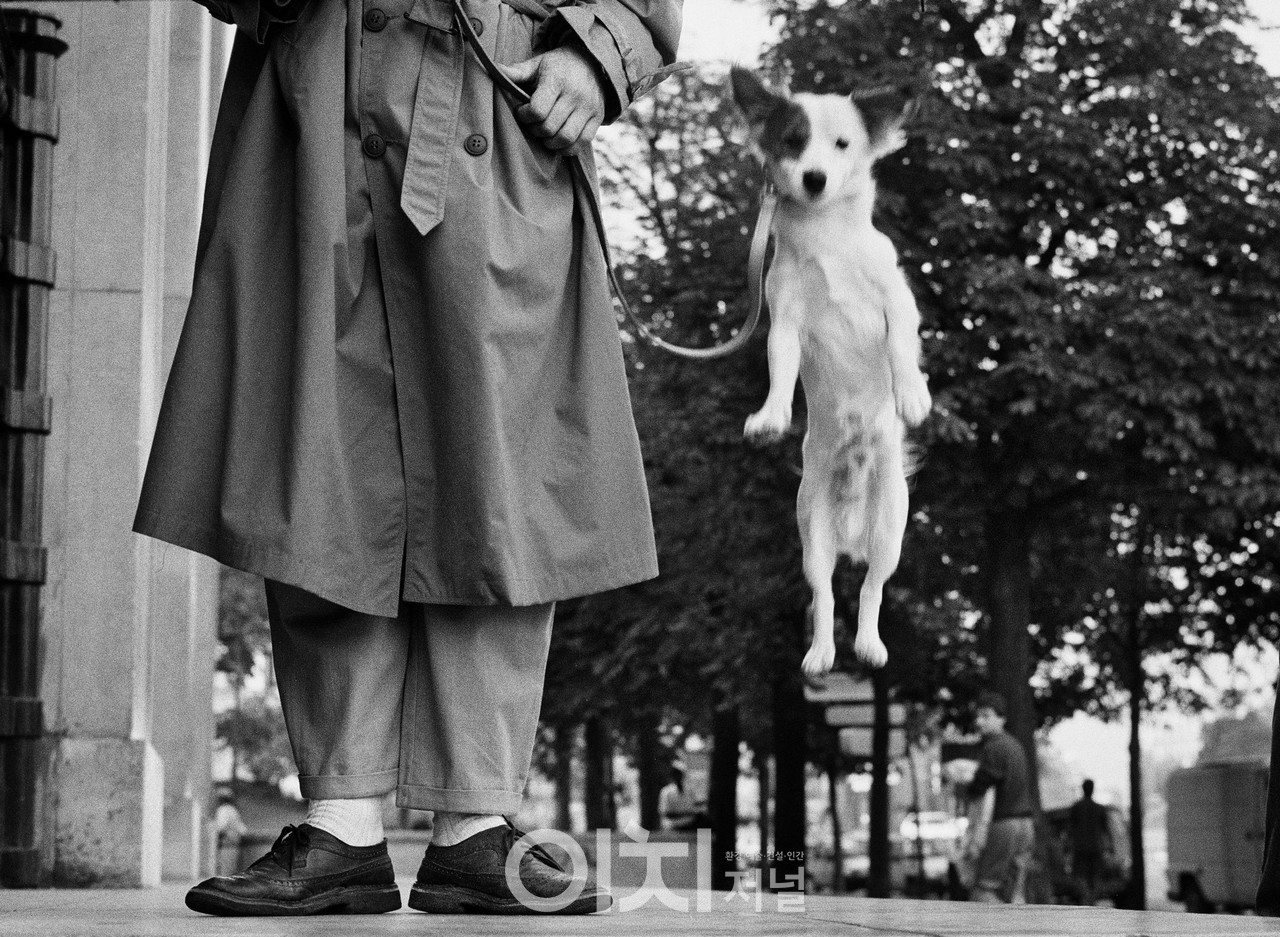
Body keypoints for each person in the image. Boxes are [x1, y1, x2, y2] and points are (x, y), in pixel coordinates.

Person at [134, 0, 681, 917]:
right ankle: (340, 821)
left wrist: (599, 54)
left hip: (496, 106)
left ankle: (477, 822)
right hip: (313, 106)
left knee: (499, 477)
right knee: (314, 463)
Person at [961, 690, 1035, 903]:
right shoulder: (1015, 745)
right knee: (1015, 892)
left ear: (1001, 718)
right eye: (978, 716)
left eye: (986, 716)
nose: (979, 722)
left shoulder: (994, 747)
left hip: (1004, 825)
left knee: (983, 890)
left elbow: (981, 784)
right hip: (1025, 825)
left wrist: (967, 787)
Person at [1067, 778, 1112, 905]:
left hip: (1080, 847)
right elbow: (1105, 831)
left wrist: (1068, 846)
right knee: (1095, 876)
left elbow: (1070, 830)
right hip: (1096, 847)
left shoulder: (1076, 807)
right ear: (1093, 790)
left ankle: (1086, 898)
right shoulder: (1099, 809)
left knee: (1080, 876)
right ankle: (1091, 899)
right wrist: (1108, 848)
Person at [658, 764, 707, 831]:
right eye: (676, 775)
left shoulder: (689, 790)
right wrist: (685, 813)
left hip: (689, 821)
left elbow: (694, 805)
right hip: (674, 823)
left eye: (680, 774)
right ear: (672, 776)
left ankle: (704, 841)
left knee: (705, 821)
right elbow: (665, 813)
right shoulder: (666, 791)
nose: (678, 777)